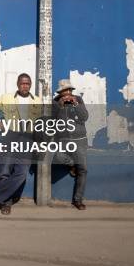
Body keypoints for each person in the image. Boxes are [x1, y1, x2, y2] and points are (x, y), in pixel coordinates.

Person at [0, 73, 42, 215]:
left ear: (30, 85)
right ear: (18, 84)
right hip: (9, 135)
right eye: (23, 83)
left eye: (28, 83)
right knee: (4, 171)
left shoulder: (37, 100)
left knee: (21, 173)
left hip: (28, 139)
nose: (25, 86)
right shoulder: (6, 97)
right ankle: (6, 203)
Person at [52, 79, 89, 210]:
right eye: (64, 91)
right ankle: (72, 165)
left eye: (69, 90)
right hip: (63, 140)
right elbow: (52, 121)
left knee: (83, 169)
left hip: (80, 139)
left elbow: (84, 117)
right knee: (58, 157)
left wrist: (76, 105)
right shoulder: (55, 103)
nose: (67, 93)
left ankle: (78, 200)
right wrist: (60, 107)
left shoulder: (78, 99)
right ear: (60, 93)